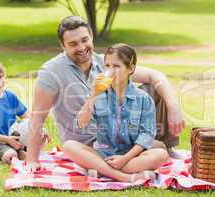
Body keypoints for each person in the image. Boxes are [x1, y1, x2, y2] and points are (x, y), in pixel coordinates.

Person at [26, 16, 185, 171]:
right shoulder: (51, 72)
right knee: (157, 150)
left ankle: (159, 150)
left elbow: (155, 75)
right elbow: (38, 115)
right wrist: (32, 160)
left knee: (155, 88)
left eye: (84, 40)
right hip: (86, 145)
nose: (81, 47)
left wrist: (173, 107)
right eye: (73, 44)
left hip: (122, 138)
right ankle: (124, 166)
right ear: (63, 45)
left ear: (91, 37)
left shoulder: (106, 62)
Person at [63, 43, 169, 182]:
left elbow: (146, 136)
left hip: (131, 156)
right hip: (103, 154)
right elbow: (81, 123)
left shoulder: (143, 99)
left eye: (116, 66)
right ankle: (124, 177)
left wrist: (124, 159)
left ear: (131, 69)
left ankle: (101, 170)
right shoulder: (98, 95)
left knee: (161, 155)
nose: (110, 71)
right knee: (69, 146)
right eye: (107, 66)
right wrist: (93, 95)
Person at [0, 58, 49, 164]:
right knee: (11, 155)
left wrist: (39, 128)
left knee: (41, 135)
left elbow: (25, 116)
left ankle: (26, 153)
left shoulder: (10, 96)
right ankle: (18, 154)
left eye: (0, 77)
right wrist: (7, 140)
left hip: (14, 136)